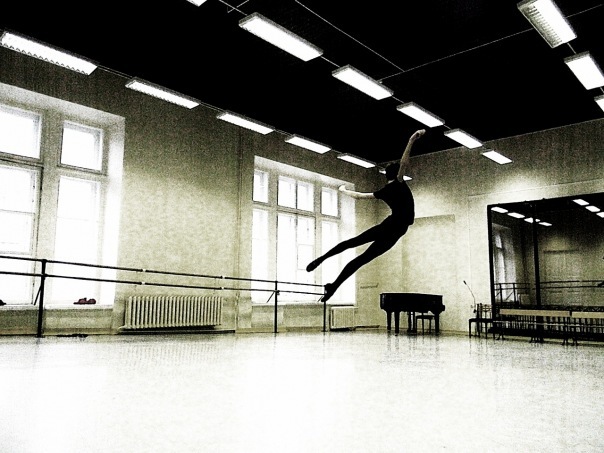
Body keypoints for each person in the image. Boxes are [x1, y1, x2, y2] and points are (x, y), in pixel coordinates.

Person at [307, 129, 426, 302]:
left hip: (388, 226)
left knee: (352, 243)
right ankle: (334, 285)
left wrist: (343, 190)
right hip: (396, 230)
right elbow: (404, 162)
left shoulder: (384, 191)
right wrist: (411, 139)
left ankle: (322, 262)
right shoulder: (399, 183)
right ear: (397, 175)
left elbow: (358, 196)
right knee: (361, 260)